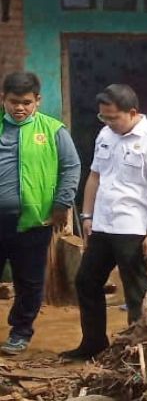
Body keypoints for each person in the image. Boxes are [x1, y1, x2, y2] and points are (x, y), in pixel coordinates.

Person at [64, 85, 147, 361]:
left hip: (132, 229)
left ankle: (138, 351)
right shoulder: (106, 135)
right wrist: (87, 216)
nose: (108, 123)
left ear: (132, 112)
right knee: (87, 281)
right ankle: (93, 344)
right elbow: (94, 177)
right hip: (102, 225)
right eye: (103, 117)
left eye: (113, 117)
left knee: (136, 291)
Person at [0, 72, 80, 355]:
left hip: (35, 222)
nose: (19, 108)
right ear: (3, 99)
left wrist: (62, 204)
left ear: (37, 101)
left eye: (25, 102)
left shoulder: (54, 130)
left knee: (30, 281)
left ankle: (20, 332)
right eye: (13, 102)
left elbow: (71, 168)